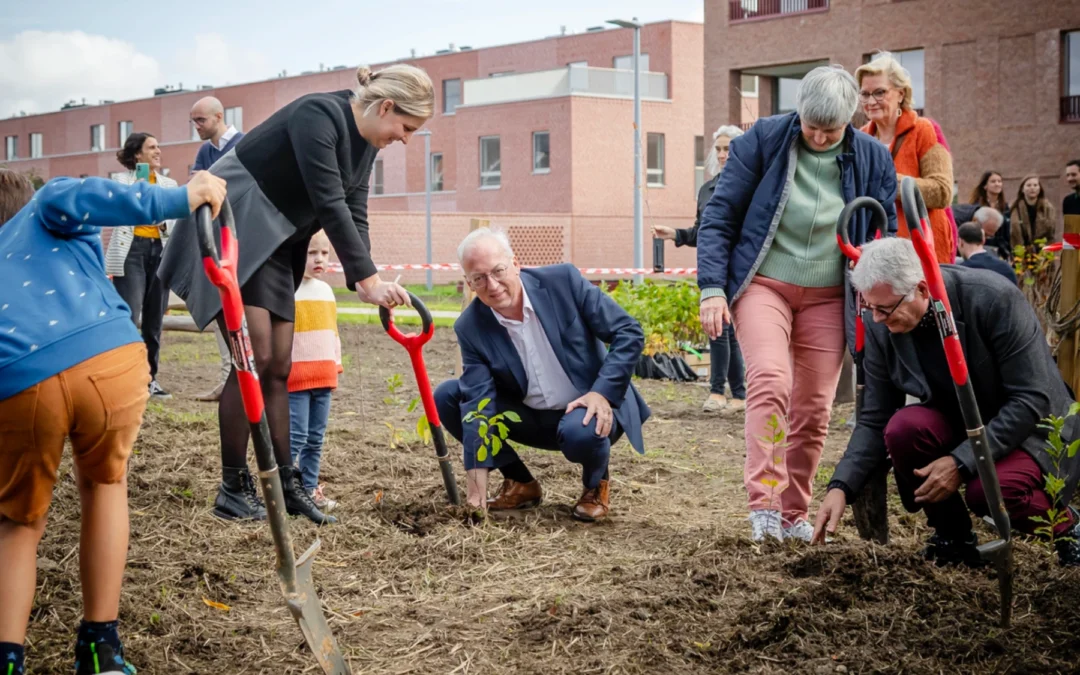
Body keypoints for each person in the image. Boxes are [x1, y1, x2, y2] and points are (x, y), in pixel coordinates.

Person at [160, 64, 433, 524]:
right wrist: (366, 281)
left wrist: (369, 278)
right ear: (385, 106)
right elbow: (327, 199)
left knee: (279, 366)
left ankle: (287, 485)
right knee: (254, 358)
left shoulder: (366, 144)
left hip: (280, 242)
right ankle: (232, 485)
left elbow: (354, 212)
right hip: (238, 228)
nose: (405, 138)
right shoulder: (317, 116)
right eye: (405, 127)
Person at [0, 168, 227, 675]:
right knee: (105, 485)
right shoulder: (45, 205)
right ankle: (101, 649)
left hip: (18, 378)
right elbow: (86, 194)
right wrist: (182, 196)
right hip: (107, 358)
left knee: (18, 522)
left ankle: (8, 657)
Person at [697, 65, 898, 542]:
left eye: (831, 130)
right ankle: (764, 507)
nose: (821, 138)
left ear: (849, 121)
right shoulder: (762, 142)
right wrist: (712, 288)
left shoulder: (870, 157)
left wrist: (876, 290)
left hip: (830, 294)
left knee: (813, 406)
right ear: (800, 113)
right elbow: (719, 217)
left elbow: (880, 229)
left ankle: (794, 513)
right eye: (812, 127)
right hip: (765, 284)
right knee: (769, 380)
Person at [812, 238, 1080, 567]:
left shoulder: (991, 297)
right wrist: (840, 486)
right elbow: (874, 419)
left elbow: (1030, 398)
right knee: (904, 430)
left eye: (885, 309)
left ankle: (1069, 528)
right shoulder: (883, 324)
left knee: (992, 493)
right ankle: (953, 537)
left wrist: (960, 462)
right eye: (870, 308)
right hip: (964, 421)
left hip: (1033, 427)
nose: (877, 319)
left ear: (922, 289)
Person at [434, 228, 651, 522]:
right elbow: (477, 407)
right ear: (468, 282)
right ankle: (521, 483)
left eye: (498, 271)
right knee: (448, 396)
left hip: (588, 410)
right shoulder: (471, 326)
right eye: (479, 278)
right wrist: (475, 496)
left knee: (582, 430)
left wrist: (601, 392)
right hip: (531, 416)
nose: (492, 285)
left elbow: (628, 332)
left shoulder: (563, 282)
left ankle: (594, 486)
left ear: (516, 263)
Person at [651, 124, 746, 414]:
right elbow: (703, 232)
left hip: (736, 268)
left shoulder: (748, 185)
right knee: (724, 333)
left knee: (719, 331)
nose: (721, 154)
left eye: (727, 148)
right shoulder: (706, 190)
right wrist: (675, 235)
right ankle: (740, 396)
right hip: (712, 269)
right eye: (718, 148)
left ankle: (718, 393)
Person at [855, 52, 955, 263]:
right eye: (865, 94)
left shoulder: (925, 130)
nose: (871, 101)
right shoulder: (861, 137)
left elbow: (942, 192)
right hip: (878, 253)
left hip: (922, 252)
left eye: (879, 93)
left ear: (900, 94)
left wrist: (888, 182)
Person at [104, 132, 179, 400]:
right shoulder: (121, 182)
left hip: (160, 253)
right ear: (138, 154)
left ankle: (150, 380)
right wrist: (142, 191)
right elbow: (119, 211)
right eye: (152, 147)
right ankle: (124, 379)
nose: (158, 151)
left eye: (159, 146)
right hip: (131, 251)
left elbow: (176, 221)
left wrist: (162, 219)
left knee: (154, 321)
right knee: (130, 317)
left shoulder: (169, 184)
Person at [190, 96, 246, 402]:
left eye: (201, 121)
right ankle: (229, 378)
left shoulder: (242, 144)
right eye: (194, 121)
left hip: (240, 236)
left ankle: (241, 377)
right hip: (214, 238)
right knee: (220, 308)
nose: (196, 127)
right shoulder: (204, 152)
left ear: (218, 117)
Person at [288, 230, 342, 512]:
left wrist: (336, 364)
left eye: (324, 253)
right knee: (295, 436)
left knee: (315, 438)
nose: (319, 259)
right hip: (296, 378)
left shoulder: (327, 291)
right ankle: (284, 489)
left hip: (323, 376)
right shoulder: (289, 289)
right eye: (312, 253)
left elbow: (332, 332)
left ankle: (309, 491)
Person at [956, 170, 1011, 256]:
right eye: (993, 181)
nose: (997, 184)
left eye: (999, 181)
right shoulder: (976, 207)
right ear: (985, 186)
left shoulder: (1005, 208)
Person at [1010, 174, 1057, 250]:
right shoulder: (1014, 208)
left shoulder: (1048, 208)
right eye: (1028, 185)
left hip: (1043, 251)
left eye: (1035, 185)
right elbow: (1012, 234)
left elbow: (1051, 234)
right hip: (1020, 250)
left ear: (1039, 188)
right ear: (1022, 189)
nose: (1032, 188)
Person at [1061, 160, 1079, 238]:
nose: (1070, 179)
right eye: (1067, 175)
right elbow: (1071, 234)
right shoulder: (1068, 201)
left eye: (1073, 175)